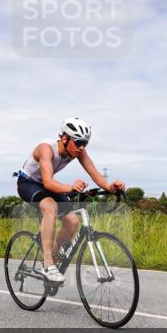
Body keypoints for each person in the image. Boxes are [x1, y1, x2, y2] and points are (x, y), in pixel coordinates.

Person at [17, 117, 125, 283]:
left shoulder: (78, 151)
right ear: (65, 138)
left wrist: (111, 187)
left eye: (85, 144)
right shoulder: (46, 149)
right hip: (28, 183)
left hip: (48, 185)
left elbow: (95, 174)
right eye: (78, 142)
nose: (81, 147)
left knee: (73, 222)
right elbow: (47, 182)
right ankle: (47, 264)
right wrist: (70, 188)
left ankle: (53, 253)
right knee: (50, 208)